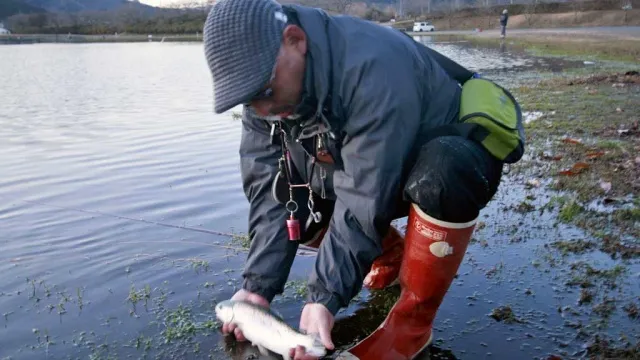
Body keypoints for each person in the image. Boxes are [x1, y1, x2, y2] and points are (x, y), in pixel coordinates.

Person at [202, 0, 525, 359]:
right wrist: (256, 288)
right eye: (248, 100)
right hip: (371, 163)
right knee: (302, 208)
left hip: (447, 154)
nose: (261, 110)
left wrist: (324, 297)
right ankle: (389, 256)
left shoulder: (372, 67)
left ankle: (411, 325)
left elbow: (364, 194)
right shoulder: (264, 101)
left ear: (295, 40)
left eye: (263, 92)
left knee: (441, 175)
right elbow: (271, 194)